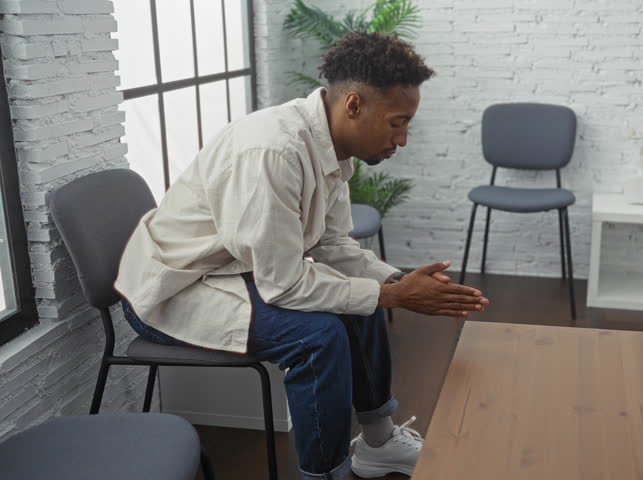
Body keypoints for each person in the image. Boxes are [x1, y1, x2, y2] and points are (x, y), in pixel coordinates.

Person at [115, 31, 489, 479]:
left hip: (236, 270)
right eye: (396, 122)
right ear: (354, 105)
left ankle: (378, 442)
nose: (403, 139)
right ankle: (325, 473)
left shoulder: (330, 145)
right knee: (319, 335)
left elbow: (331, 246)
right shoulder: (272, 152)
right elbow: (284, 283)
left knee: (360, 296)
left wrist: (397, 283)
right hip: (175, 288)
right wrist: (394, 297)